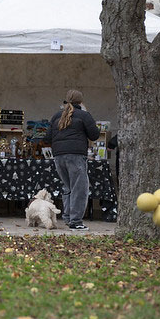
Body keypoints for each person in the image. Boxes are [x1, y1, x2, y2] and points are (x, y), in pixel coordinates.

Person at [44, 89, 100, 231]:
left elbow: (47, 138)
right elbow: (94, 135)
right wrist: (87, 113)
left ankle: (68, 218)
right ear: (80, 102)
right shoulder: (83, 115)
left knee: (68, 187)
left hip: (58, 156)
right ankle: (76, 222)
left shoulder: (57, 116)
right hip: (75, 156)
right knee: (79, 189)